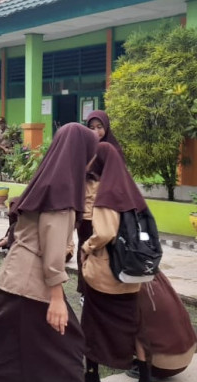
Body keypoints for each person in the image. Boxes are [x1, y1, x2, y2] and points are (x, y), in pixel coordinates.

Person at [0, 122, 98, 382]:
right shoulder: (63, 189)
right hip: (31, 291)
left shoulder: (45, 180)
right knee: (65, 356)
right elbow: (51, 246)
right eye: (91, 153)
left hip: (12, 284)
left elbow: (24, 228)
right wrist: (57, 298)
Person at [80, 142, 157, 382]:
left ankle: (92, 379)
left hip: (105, 273)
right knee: (135, 326)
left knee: (92, 322)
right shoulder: (131, 192)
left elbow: (105, 232)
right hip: (131, 273)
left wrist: (87, 246)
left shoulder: (107, 194)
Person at [76, 110, 125, 300]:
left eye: (99, 127)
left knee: (104, 251)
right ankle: (84, 291)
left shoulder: (114, 150)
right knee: (84, 251)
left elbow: (119, 180)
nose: (96, 132)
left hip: (107, 213)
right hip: (87, 214)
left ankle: (102, 289)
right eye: (91, 128)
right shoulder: (85, 150)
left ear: (106, 127)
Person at [127, 270, 197, 381]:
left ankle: (145, 365)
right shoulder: (156, 273)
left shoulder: (129, 279)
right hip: (185, 357)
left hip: (161, 365)